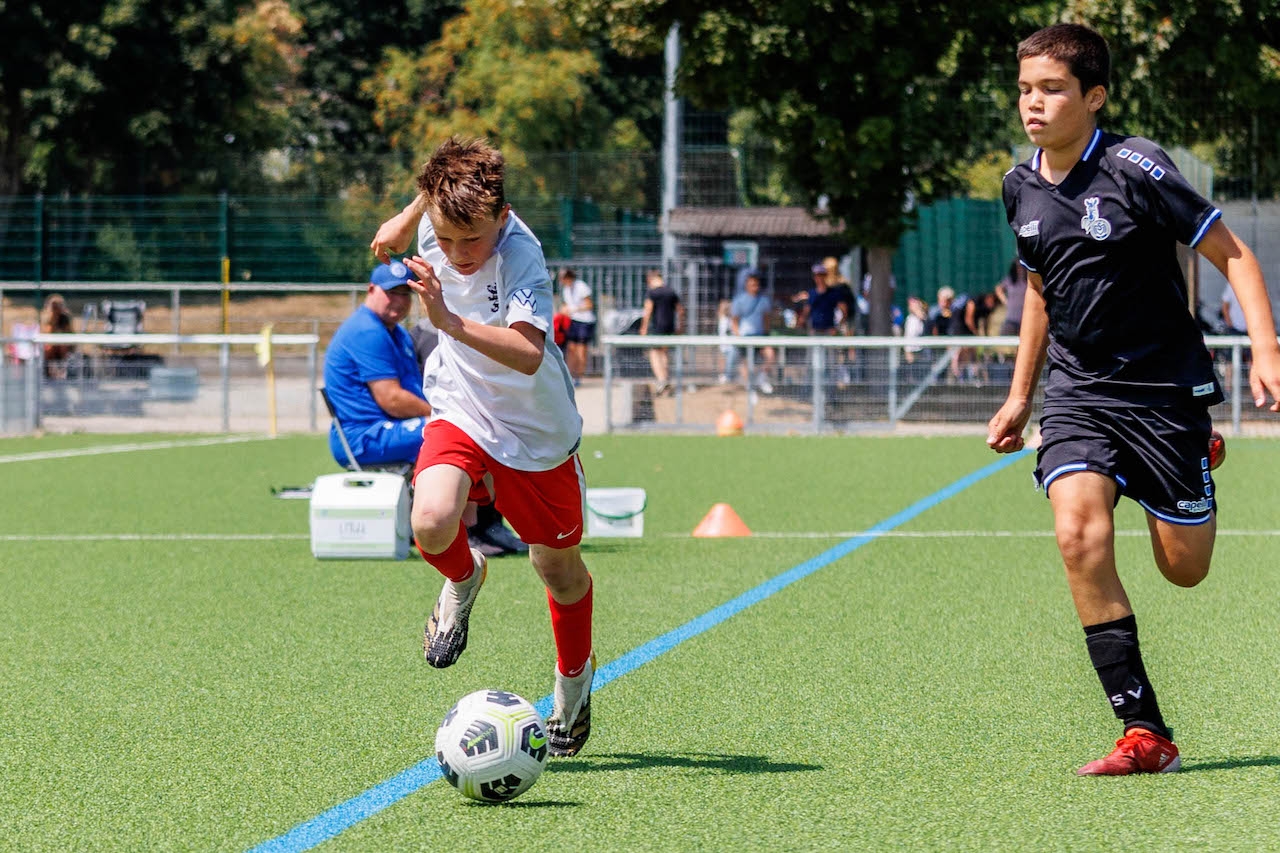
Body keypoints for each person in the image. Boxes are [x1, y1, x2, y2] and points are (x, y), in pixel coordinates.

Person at [987, 23, 1280, 777]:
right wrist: (1021, 396)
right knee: (1077, 536)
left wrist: (1267, 351)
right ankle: (1144, 731)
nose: (1033, 103)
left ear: (1094, 97)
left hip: (1163, 394)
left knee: (1185, 568)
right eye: (1024, 89)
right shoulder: (1019, 186)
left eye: (1052, 89)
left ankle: (1199, 453)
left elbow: (1234, 255)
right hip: (1079, 392)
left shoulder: (1136, 167)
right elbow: (1040, 292)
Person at [370, 136, 594, 757]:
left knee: (557, 570)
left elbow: (527, 353)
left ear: (502, 216)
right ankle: (464, 578)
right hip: (461, 406)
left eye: (472, 240)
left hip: (534, 429)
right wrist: (408, 217)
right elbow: (432, 193)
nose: (457, 254)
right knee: (431, 520)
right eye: (445, 240)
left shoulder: (521, 254)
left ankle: (574, 685)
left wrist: (448, 322)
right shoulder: (436, 222)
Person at [410, 313, 529, 559]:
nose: (398, 300)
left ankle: (488, 524)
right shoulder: (422, 333)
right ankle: (471, 529)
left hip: (469, 408)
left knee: (495, 432)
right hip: (431, 419)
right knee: (472, 433)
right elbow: (391, 396)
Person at [323, 262, 434, 468]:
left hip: (387, 430)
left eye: (405, 294)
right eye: (392, 292)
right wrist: (440, 413)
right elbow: (392, 399)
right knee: (454, 430)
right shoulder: (367, 331)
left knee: (463, 429)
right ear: (371, 290)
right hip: (365, 436)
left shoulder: (397, 332)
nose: (400, 301)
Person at [728, 270, 777, 393]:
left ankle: (762, 378)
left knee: (770, 355)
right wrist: (738, 336)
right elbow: (734, 321)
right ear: (746, 285)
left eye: (756, 284)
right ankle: (749, 388)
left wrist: (766, 334)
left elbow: (766, 319)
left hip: (760, 336)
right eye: (752, 284)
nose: (754, 287)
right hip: (745, 336)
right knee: (745, 362)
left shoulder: (764, 300)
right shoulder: (739, 300)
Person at [639, 268, 683, 395]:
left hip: (657, 327)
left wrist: (643, 327)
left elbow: (648, 311)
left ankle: (661, 380)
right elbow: (680, 311)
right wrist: (680, 326)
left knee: (654, 353)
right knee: (663, 353)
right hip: (669, 327)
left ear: (650, 279)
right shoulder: (671, 291)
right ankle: (665, 379)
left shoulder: (652, 293)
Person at [557, 268, 594, 386]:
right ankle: (571, 376)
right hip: (573, 321)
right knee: (571, 350)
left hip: (585, 322)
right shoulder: (566, 289)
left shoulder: (581, 286)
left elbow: (589, 305)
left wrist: (574, 309)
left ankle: (578, 377)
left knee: (581, 351)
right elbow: (567, 305)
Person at [40, 293, 76, 379]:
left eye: (58, 305)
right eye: (54, 305)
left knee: (63, 347)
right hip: (50, 346)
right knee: (49, 348)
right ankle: (48, 373)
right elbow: (47, 333)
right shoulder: (46, 316)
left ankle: (62, 371)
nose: (56, 307)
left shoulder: (65, 317)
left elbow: (69, 333)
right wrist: (54, 316)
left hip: (63, 346)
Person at [995, 258, 1029, 336]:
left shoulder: (1028, 281)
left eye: (1022, 266)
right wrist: (1005, 301)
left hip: (1024, 319)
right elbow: (998, 289)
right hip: (1011, 318)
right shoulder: (1010, 280)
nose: (1020, 269)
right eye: (1018, 266)